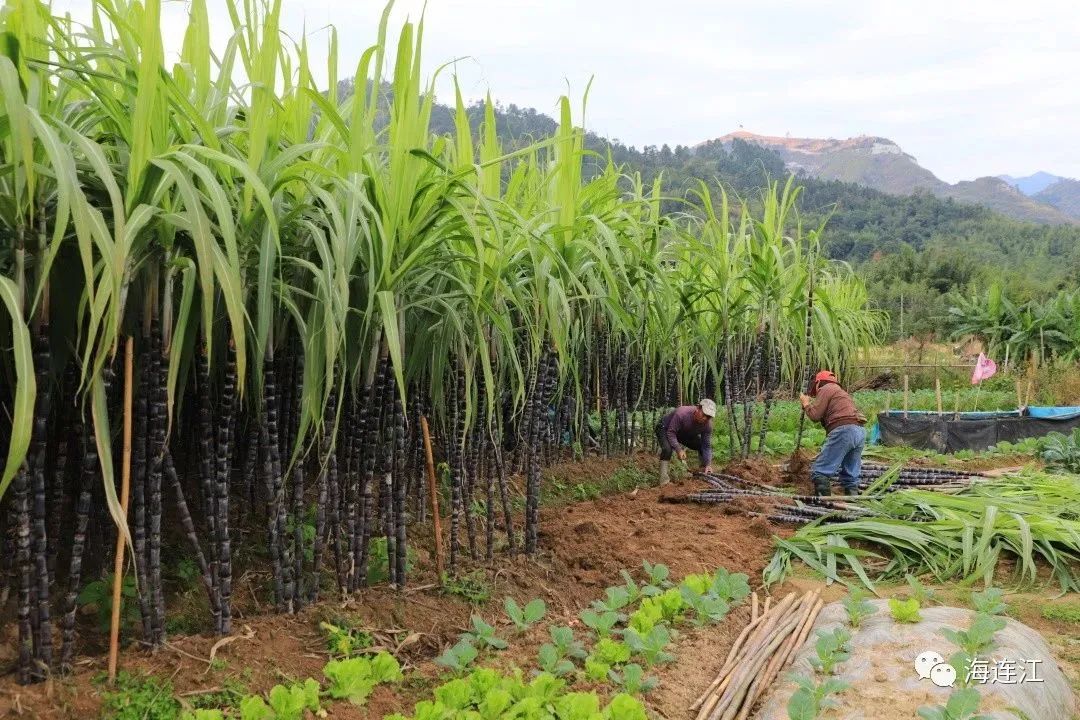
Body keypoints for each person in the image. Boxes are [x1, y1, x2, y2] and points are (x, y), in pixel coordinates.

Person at [799, 370, 866, 496]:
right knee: (851, 475)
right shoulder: (841, 392)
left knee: (821, 471)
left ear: (818, 383)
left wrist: (806, 403)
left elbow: (815, 416)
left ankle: (824, 504)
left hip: (845, 431)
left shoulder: (826, 388)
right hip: (859, 431)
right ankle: (853, 500)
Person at [655, 399, 716, 485]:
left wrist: (708, 464)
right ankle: (664, 482)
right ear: (698, 408)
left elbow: (706, 446)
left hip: (682, 432)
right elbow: (671, 432)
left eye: (709, 417)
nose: (705, 418)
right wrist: (678, 449)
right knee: (667, 449)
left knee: (701, 445)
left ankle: (704, 472)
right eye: (704, 414)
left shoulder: (707, 425)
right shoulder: (682, 413)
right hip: (665, 428)